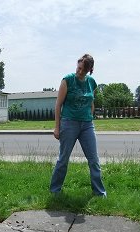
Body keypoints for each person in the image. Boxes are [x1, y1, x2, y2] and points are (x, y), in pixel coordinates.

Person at [50, 54, 106, 197]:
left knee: (94, 160)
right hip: (69, 123)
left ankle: (99, 193)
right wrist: (57, 127)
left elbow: (91, 102)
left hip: (87, 125)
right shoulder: (67, 80)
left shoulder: (92, 82)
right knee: (63, 158)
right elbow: (58, 105)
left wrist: (90, 116)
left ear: (90, 70)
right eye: (79, 68)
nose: (80, 71)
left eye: (83, 70)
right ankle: (55, 190)